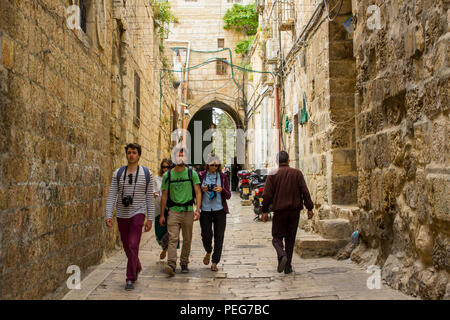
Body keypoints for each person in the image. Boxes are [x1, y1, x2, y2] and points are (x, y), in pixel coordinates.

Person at [105, 143, 155, 290]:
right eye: (129, 152)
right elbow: (112, 195)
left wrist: (150, 218)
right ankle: (137, 266)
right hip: (122, 214)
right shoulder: (118, 173)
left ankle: (130, 278)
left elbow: (149, 198)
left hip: (138, 213)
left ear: (139, 155)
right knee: (126, 245)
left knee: (133, 244)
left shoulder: (147, 174)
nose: (131, 155)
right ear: (126, 155)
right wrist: (108, 215)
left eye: (134, 152)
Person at [261, 151, 314, 274]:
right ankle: (287, 267)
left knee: (276, 238)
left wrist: (264, 211)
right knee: (290, 239)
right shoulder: (297, 173)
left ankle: (281, 254)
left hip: (279, 211)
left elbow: (267, 195)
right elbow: (305, 191)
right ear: (288, 161)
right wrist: (309, 208)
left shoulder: (272, 174)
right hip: (294, 211)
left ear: (276, 162)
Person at [159, 148, 202, 276]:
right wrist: (162, 214)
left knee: (187, 239)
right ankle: (171, 264)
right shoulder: (168, 176)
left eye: (183, 156)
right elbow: (164, 196)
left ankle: (184, 262)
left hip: (188, 210)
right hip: (173, 211)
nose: (180, 158)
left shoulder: (191, 173)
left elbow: (198, 192)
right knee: (173, 238)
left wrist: (197, 209)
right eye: (178, 156)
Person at [198, 155, 231, 271]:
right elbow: (195, 192)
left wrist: (222, 190)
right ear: (207, 165)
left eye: (216, 165)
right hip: (206, 210)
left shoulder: (222, 176)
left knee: (219, 237)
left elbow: (228, 195)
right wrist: (202, 190)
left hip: (219, 210)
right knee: (206, 235)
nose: (214, 167)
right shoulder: (201, 175)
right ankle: (208, 250)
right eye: (212, 165)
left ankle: (215, 262)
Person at [153, 158, 173, 260]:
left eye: (167, 167)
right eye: (163, 167)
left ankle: (169, 253)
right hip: (158, 207)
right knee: (159, 231)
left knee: (171, 230)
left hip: (170, 207)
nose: (165, 169)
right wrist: (154, 194)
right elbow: (153, 190)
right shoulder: (157, 178)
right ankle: (164, 247)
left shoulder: (172, 178)